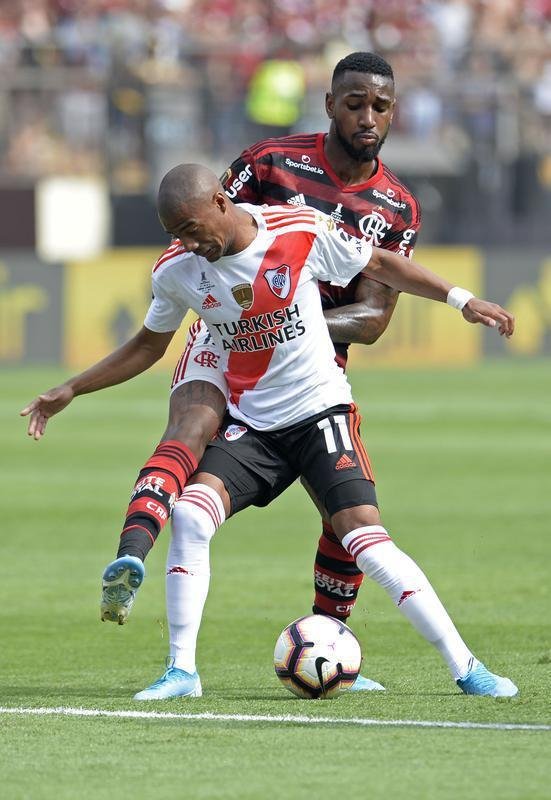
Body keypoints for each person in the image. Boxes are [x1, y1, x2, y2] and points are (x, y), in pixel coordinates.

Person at [22, 163, 517, 702]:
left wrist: (462, 300)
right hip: (255, 426)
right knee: (189, 512)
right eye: (176, 234)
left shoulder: (296, 229)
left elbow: (379, 263)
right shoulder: (178, 270)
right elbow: (147, 346)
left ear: (218, 202)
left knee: (364, 540)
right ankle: (182, 672)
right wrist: (72, 388)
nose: (188, 243)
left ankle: (467, 668)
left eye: (192, 228)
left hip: (321, 412)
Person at [107, 53, 425, 692]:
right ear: (330, 103)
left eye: (380, 107)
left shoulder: (397, 208)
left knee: (347, 515)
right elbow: (198, 229)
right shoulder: (268, 164)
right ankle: (157, 612)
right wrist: (239, 322)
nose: (367, 117)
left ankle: (330, 637)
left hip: (313, 370)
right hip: (229, 350)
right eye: (355, 103)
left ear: (393, 112)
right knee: (188, 444)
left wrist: (292, 324)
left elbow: (372, 317)